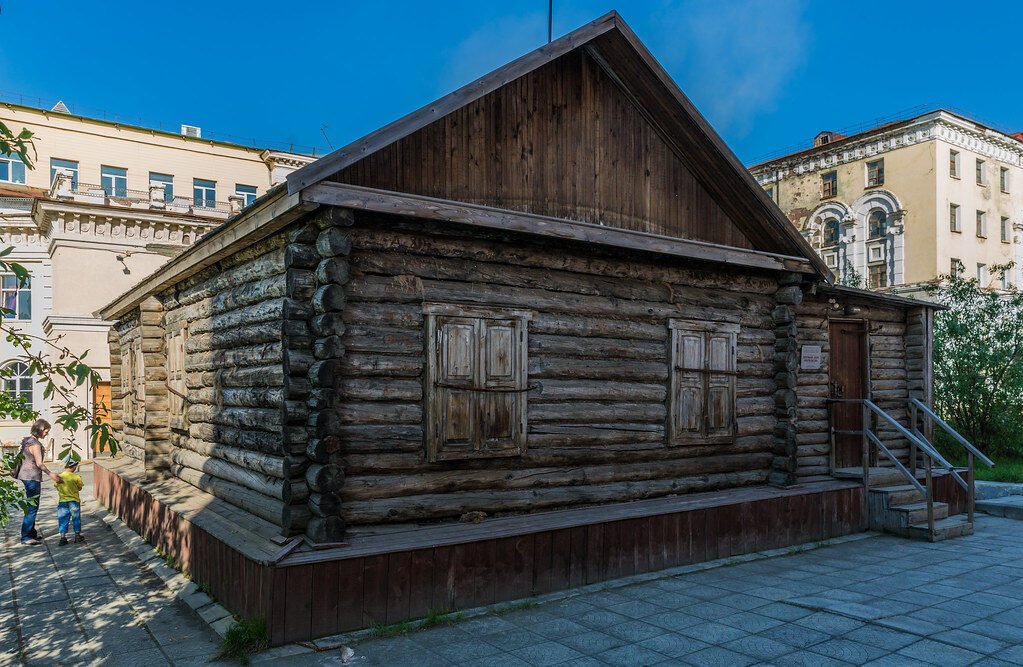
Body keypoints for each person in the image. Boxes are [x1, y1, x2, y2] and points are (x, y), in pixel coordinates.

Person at [17, 419, 60, 545]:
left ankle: (31, 533)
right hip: (32, 477)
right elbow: (39, 463)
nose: (47, 433)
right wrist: (51, 474)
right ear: (41, 429)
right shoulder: (35, 444)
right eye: (46, 431)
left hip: (25, 475)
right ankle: (26, 537)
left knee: (32, 506)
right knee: (32, 508)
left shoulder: (27, 440)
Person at [54, 459, 84, 545]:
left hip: (63, 502)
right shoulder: (76, 477)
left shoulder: (59, 476)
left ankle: (63, 538)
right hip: (74, 501)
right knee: (76, 518)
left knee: (63, 519)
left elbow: (56, 486)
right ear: (74, 466)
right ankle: (77, 535)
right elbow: (80, 488)